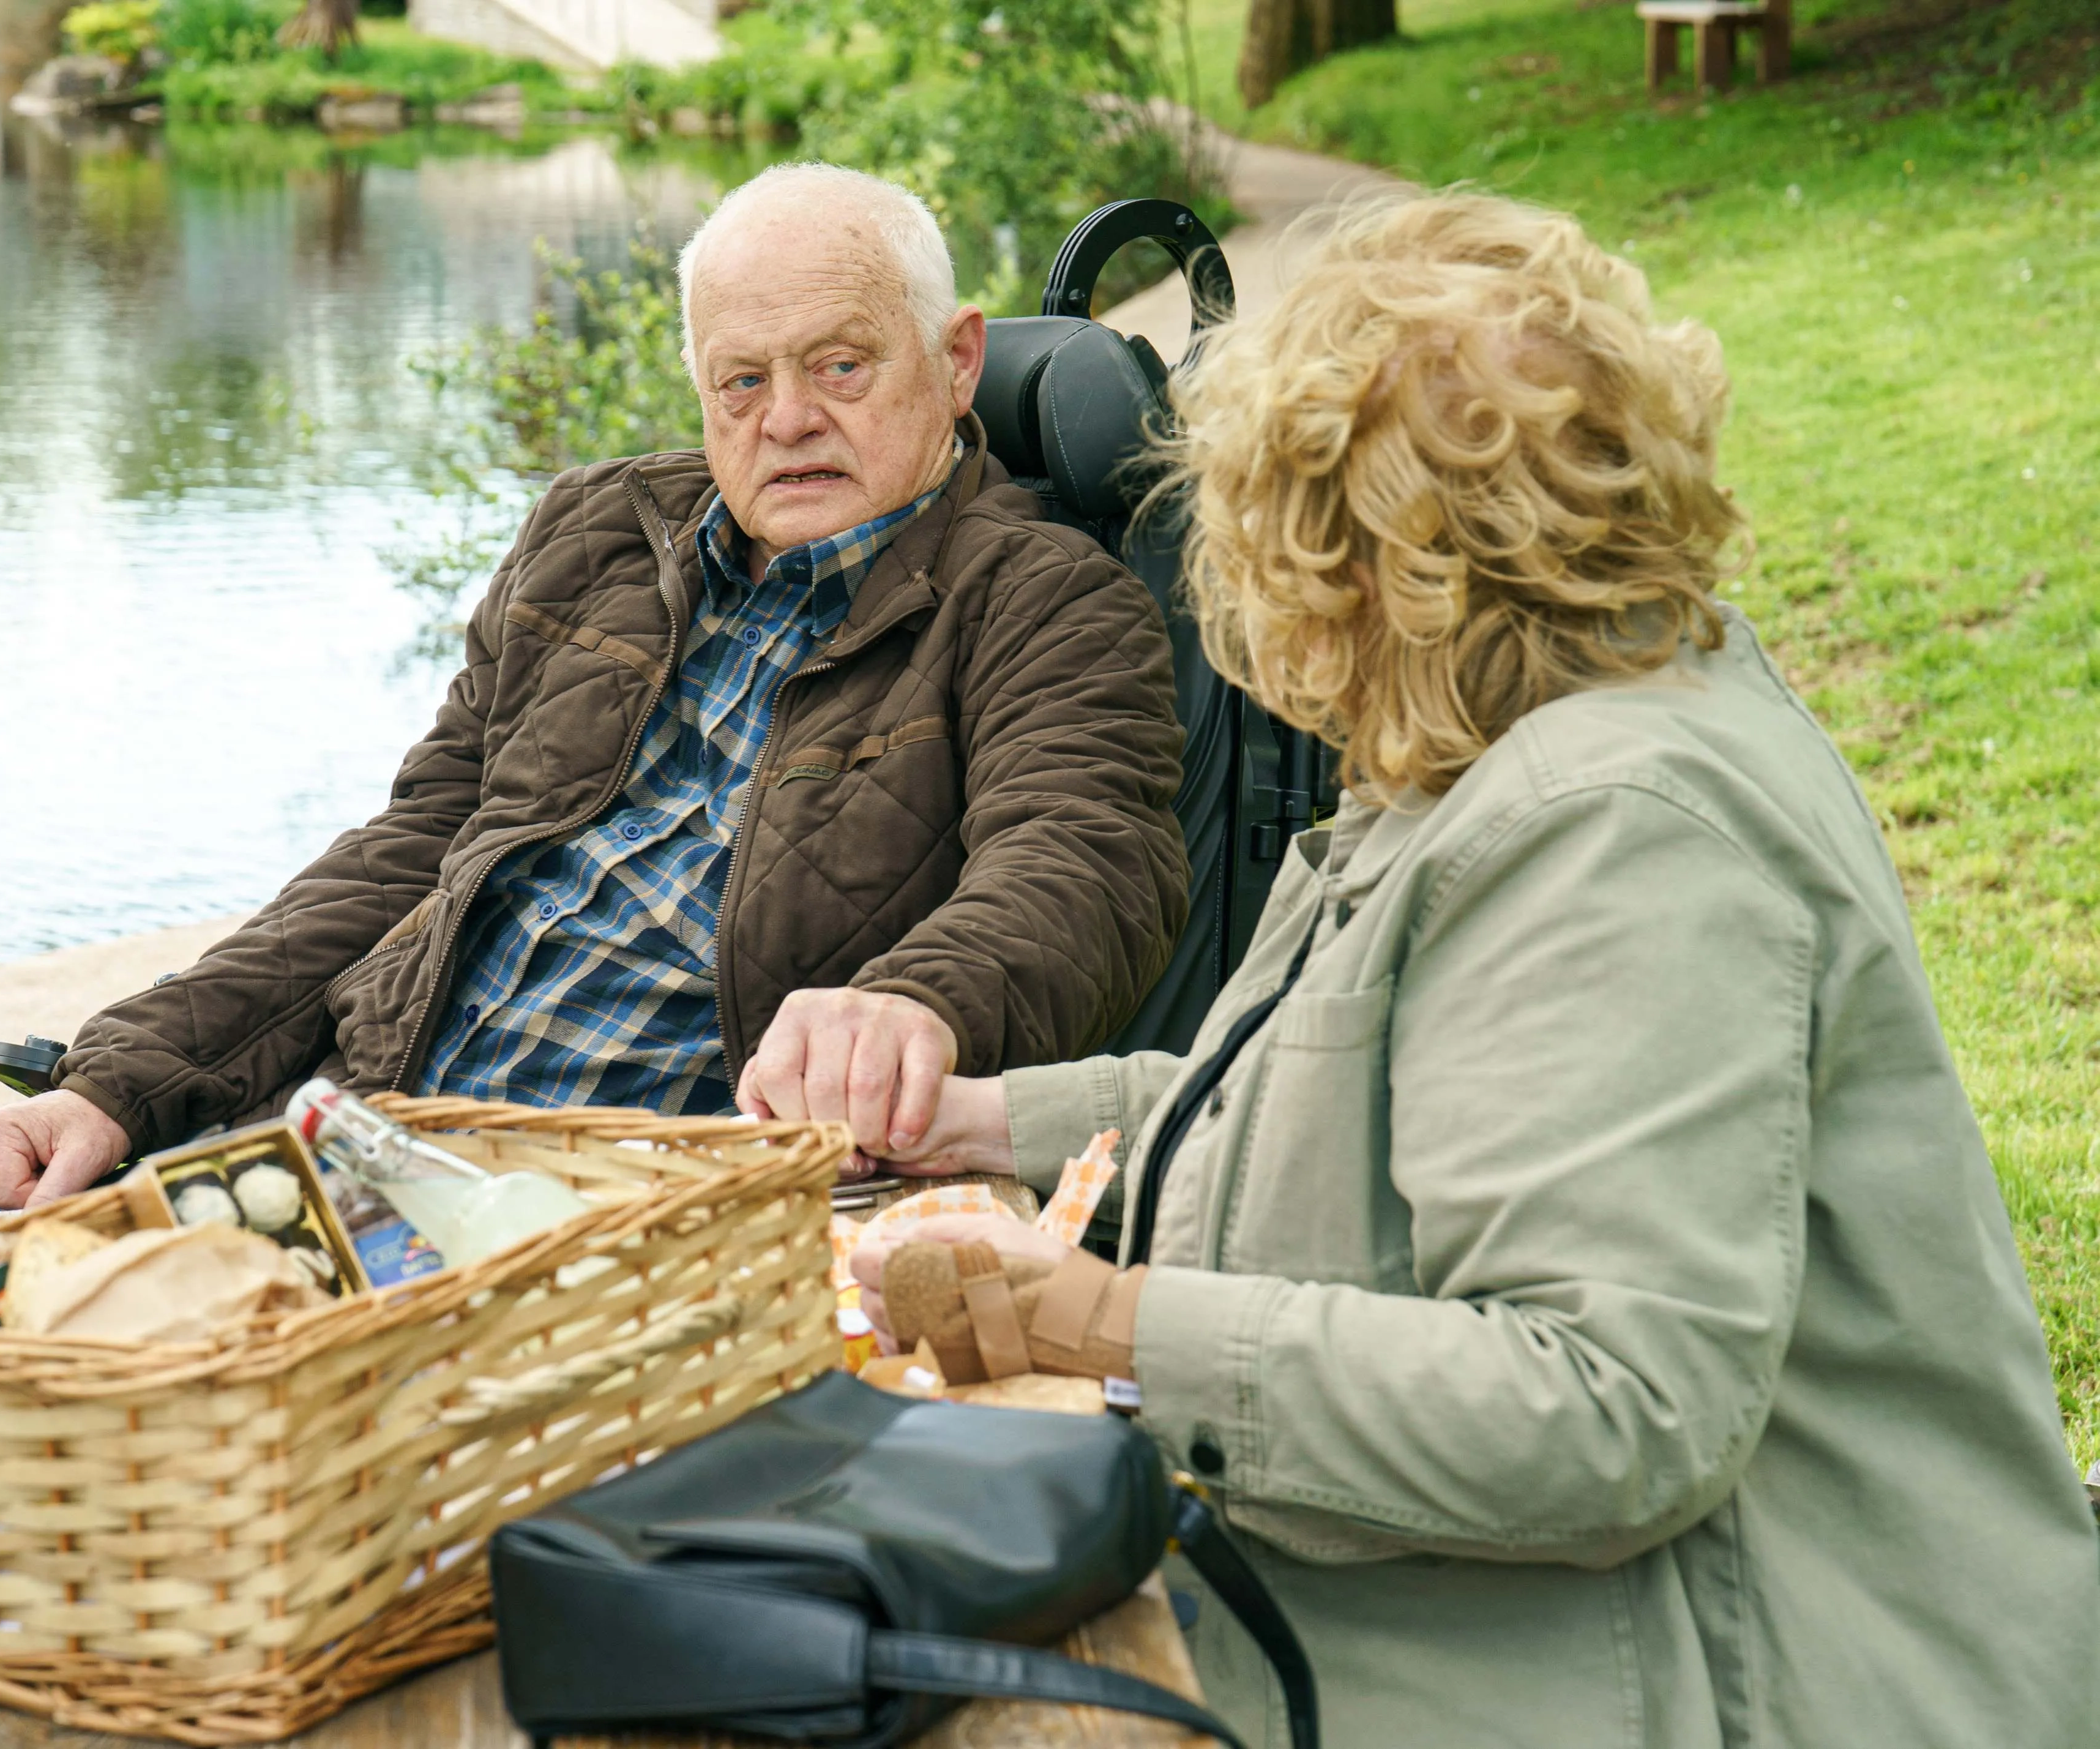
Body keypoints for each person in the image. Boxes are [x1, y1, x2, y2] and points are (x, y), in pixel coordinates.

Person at [854, 193, 2100, 1745]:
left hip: (1736, 1689)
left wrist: (1103, 1324)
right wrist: (988, 1124)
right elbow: (1357, 1104)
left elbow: (1608, 1408)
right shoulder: (1513, 719)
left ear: (1365, 553)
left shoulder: (1621, 829)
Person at [0, 162, 1189, 1208]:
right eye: (743, 382)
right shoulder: (597, 532)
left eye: (841, 365)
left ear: (957, 357)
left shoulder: (1046, 601)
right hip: (377, 1139)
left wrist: (917, 1005)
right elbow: (416, 848)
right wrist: (121, 1077)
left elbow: (1087, 862)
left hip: (666, 1202)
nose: (789, 419)